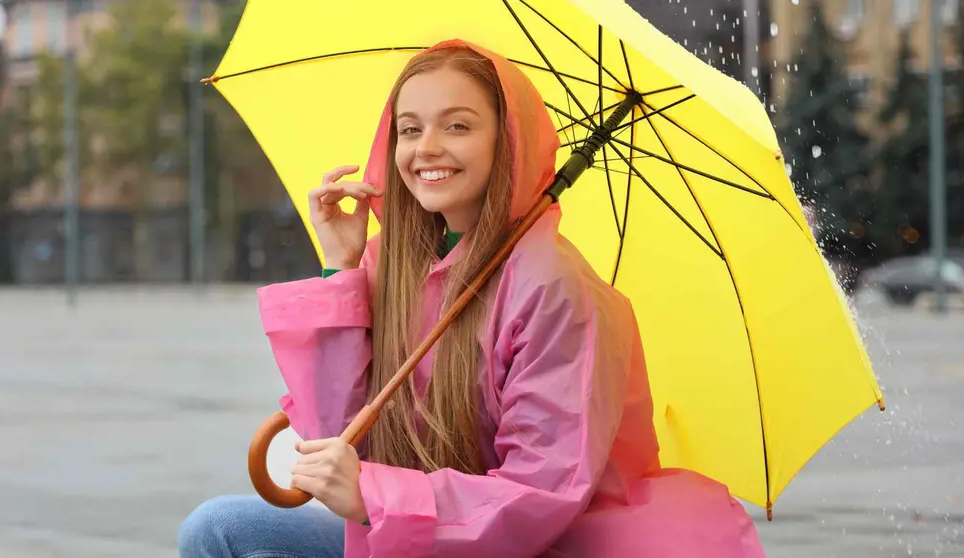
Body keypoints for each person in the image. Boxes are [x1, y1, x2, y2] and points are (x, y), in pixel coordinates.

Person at [178, 39, 766, 558]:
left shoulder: (555, 289)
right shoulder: (396, 262)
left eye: (457, 127)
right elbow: (340, 435)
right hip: (420, 533)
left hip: (536, 546)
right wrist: (342, 269)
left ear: (505, 142)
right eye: (410, 129)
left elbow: (538, 494)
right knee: (220, 531)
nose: (426, 148)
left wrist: (376, 496)